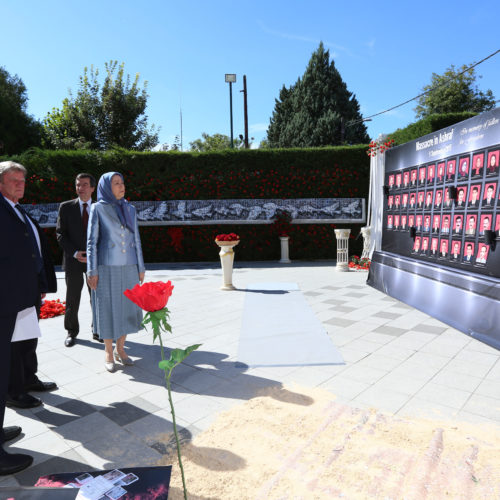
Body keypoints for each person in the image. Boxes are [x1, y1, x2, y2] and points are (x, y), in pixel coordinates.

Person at [0, 161, 57, 474]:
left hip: (17, 300)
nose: (21, 184)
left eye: (23, 179)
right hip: (5, 302)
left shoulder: (14, 208)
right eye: (14, 179)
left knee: (11, 361)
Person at [87, 172, 145, 372]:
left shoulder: (130, 208)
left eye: (122, 183)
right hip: (106, 267)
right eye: (116, 183)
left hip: (129, 266)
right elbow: (92, 242)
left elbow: (136, 239)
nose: (122, 186)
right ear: (106, 187)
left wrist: (141, 267)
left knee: (127, 308)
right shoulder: (98, 208)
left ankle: (121, 349)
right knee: (108, 308)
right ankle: (108, 352)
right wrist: (91, 270)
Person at [57, 174, 102, 347]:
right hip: (73, 260)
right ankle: (71, 332)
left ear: (92, 188)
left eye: (85, 185)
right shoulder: (66, 207)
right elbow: (60, 234)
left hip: (95, 261)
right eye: (78, 185)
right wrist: (75, 253)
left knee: (96, 297)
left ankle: (98, 330)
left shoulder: (100, 208)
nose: (81, 188)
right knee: (72, 298)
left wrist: (94, 254)